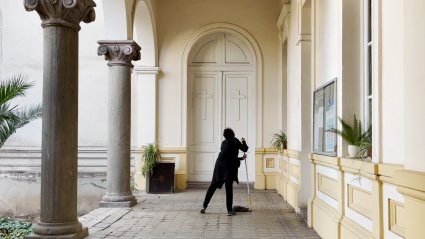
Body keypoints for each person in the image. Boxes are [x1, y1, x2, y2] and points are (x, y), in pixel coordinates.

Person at [200, 128, 249, 216]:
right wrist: (244, 141)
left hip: (219, 165)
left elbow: (227, 156)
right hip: (228, 168)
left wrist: (241, 158)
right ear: (233, 134)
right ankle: (229, 211)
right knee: (228, 189)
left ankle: (204, 206)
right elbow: (245, 149)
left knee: (212, 186)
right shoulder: (235, 140)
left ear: (225, 135)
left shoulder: (224, 142)